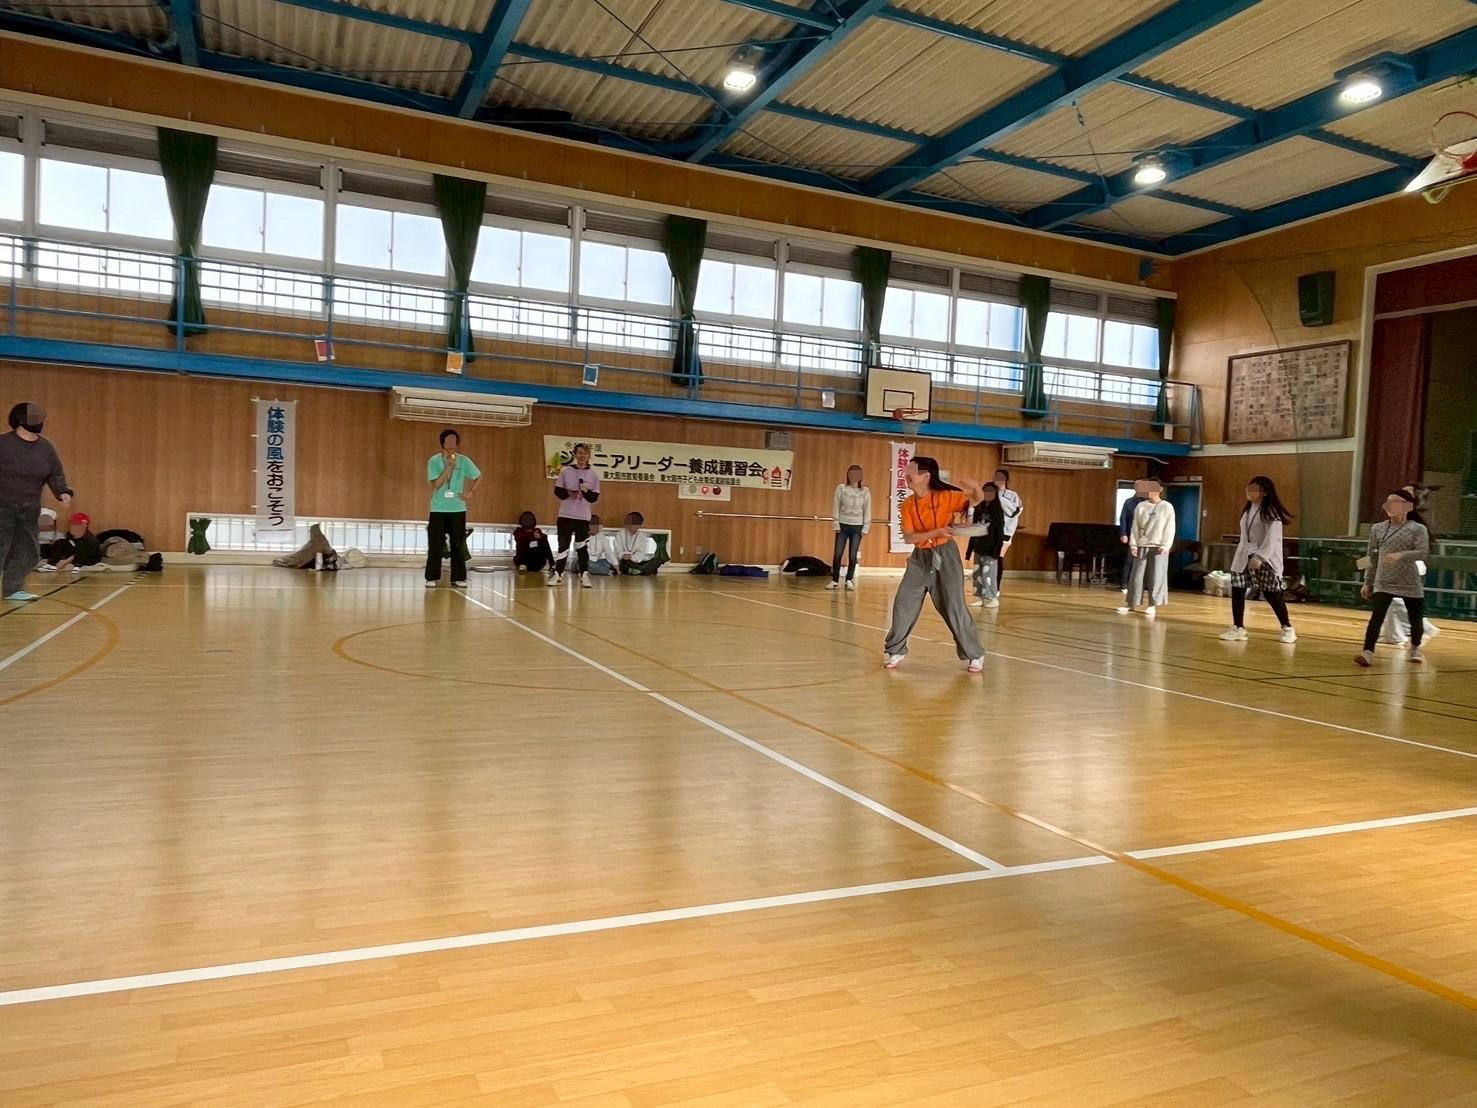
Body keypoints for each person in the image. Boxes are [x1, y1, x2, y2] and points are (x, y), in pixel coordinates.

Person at [882, 456, 987, 673]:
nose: (906, 476)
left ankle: (974, 654)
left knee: (953, 606)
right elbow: (909, 538)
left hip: (946, 556)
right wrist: (935, 531)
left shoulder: (947, 497)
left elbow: (976, 500)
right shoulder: (908, 505)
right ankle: (896, 650)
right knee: (903, 602)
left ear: (926, 476)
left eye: (911, 472)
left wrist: (976, 487)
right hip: (919, 558)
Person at [1, 402, 73, 603]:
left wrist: (62, 491)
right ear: (20, 421)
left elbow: (55, 473)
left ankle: (13, 589)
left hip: (29, 509)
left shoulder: (45, 447)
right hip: (3, 507)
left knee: (29, 551)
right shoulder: (3, 443)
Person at [1356, 489, 1431, 666]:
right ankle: (1367, 652)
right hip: (1383, 580)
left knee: (1416, 618)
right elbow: (1370, 556)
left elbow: (1422, 552)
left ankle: (1415, 648)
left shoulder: (1418, 529)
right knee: (1376, 617)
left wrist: (1400, 556)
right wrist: (1367, 581)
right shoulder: (1377, 528)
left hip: (1409, 581)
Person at [1219, 476, 1296, 643]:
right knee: (1238, 588)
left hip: (1265, 559)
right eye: (1249, 488)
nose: (1249, 491)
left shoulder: (1271, 512)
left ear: (1265, 493)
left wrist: (1260, 557)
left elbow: (1272, 538)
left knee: (1271, 593)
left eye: (1255, 489)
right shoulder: (1248, 510)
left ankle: (1287, 628)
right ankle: (1238, 627)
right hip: (1244, 556)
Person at [1379, 484, 1440, 647]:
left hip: (1411, 563)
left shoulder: (1414, 522)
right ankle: (1393, 634)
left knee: (1394, 599)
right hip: (1397, 563)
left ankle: (1421, 628)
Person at [425, 428, 479, 589]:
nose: (452, 444)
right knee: (435, 544)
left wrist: (471, 492)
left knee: (458, 544)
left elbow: (478, 476)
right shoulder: (434, 461)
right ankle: (432, 577)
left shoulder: (464, 460)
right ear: (442, 443)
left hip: (458, 509)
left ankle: (459, 577)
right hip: (438, 509)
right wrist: (448, 467)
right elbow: (436, 484)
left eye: (454, 441)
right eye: (449, 440)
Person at [1118, 477, 1174, 618]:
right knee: (1136, 576)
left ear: (1160, 489)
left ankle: (1152, 605)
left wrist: (1166, 545)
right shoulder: (1140, 506)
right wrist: (1133, 544)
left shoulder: (1167, 507)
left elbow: (1170, 527)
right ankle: (1130, 603)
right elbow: (1135, 527)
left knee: (1156, 576)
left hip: (1158, 546)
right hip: (1142, 544)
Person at [551, 442, 600, 588]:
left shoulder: (593, 475)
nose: (582, 456)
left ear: (589, 456)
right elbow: (557, 491)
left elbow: (594, 498)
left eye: (585, 453)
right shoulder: (566, 471)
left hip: (583, 517)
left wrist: (586, 492)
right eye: (579, 453)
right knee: (563, 545)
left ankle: (584, 574)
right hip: (565, 515)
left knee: (581, 547)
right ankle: (558, 574)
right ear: (575, 454)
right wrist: (568, 493)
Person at [829, 464, 871, 591]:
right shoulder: (841, 488)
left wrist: (865, 527)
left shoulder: (865, 491)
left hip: (857, 527)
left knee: (853, 555)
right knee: (837, 554)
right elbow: (836, 506)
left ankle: (849, 579)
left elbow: (867, 509)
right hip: (842, 525)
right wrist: (836, 523)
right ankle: (834, 580)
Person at [967, 481, 1005, 608]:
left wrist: (997, 550)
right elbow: (973, 528)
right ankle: (979, 598)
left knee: (988, 574)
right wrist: (970, 549)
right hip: (979, 546)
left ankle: (992, 598)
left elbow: (999, 532)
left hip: (991, 548)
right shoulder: (979, 509)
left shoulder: (998, 511)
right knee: (977, 574)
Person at [993, 468, 1022, 593]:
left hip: (1005, 531)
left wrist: (998, 497)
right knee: (988, 559)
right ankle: (986, 589)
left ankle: (996, 588)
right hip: (991, 531)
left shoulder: (1012, 495)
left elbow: (1014, 511)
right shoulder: (990, 494)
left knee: (998, 557)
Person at [1117, 479, 1148, 593]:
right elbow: (1123, 518)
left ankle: (1143, 585)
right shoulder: (1129, 502)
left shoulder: (1149, 502)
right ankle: (1124, 584)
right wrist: (1123, 533)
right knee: (1129, 560)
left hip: (1146, 536)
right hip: (1132, 534)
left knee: (1144, 561)